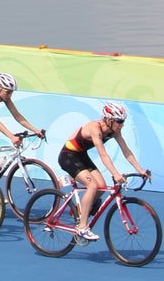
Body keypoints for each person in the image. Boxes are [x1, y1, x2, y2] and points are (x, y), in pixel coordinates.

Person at [57, 102, 149, 241]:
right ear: (109, 119)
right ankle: (82, 227)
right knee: (92, 186)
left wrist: (140, 169)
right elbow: (103, 154)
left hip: (81, 155)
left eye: (123, 121)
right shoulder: (95, 128)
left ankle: (80, 210)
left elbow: (126, 150)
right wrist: (116, 174)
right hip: (68, 156)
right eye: (119, 122)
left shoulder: (115, 130)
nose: (121, 125)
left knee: (101, 187)